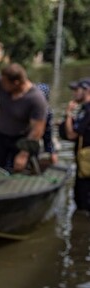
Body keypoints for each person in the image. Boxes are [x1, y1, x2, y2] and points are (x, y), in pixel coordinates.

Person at [0, 63, 48, 172]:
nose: (2, 83)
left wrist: (24, 154)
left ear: (16, 83)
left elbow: (37, 130)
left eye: (5, 83)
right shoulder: (2, 81)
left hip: (20, 139)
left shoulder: (36, 99)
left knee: (19, 170)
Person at [60, 77, 90, 211]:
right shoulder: (84, 109)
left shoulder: (87, 110)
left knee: (83, 201)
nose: (74, 93)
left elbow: (72, 134)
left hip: (87, 165)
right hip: (84, 163)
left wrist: (68, 114)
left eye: (77, 90)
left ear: (87, 90)